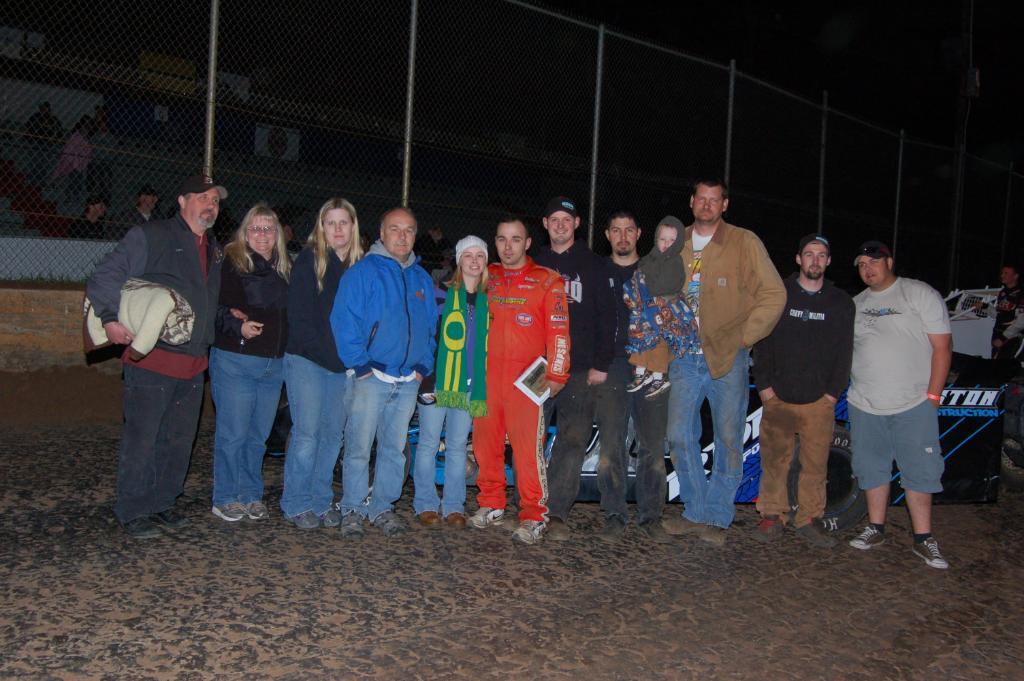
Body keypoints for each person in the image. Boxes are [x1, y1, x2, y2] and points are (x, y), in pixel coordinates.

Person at [85, 173, 226, 538]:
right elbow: (105, 276)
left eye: (215, 200)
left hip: (193, 363)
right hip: (152, 360)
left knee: (179, 441)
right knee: (143, 439)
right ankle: (133, 509)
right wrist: (109, 318)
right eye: (203, 197)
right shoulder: (152, 235)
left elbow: (211, 302)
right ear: (182, 200)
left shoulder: (214, 249)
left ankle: (162, 503)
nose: (211, 205)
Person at [663, 179, 786, 545]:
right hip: (684, 356)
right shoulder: (675, 241)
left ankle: (718, 515)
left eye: (714, 199)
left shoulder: (744, 242)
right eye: (701, 198)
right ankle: (696, 510)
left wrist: (745, 337)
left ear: (724, 205)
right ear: (691, 201)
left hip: (727, 357)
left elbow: (774, 293)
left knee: (729, 437)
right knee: (678, 435)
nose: (707, 204)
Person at [330, 207, 437, 539]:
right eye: (395, 229)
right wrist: (361, 366)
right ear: (381, 233)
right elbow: (343, 321)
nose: (402, 236)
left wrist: (422, 366)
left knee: (394, 449)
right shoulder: (363, 272)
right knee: (359, 447)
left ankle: (382, 507)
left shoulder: (421, 278)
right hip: (371, 377)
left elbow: (431, 327)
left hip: (407, 381)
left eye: (409, 230)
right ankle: (352, 508)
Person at [846, 241, 952, 569]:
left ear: (889, 262)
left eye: (874, 261)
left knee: (920, 471)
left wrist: (933, 397)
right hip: (865, 404)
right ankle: (875, 528)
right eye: (862, 264)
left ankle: (924, 538)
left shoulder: (919, 294)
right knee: (871, 467)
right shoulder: (856, 304)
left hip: (914, 403)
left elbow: (943, 347)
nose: (867, 268)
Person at [469, 216, 569, 545]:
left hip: (528, 379)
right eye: (501, 239)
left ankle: (534, 515)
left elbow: (559, 331)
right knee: (485, 443)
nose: (508, 246)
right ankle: (491, 503)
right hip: (488, 378)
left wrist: (557, 374)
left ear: (527, 243)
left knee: (527, 450)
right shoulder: (487, 275)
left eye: (515, 239)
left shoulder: (547, 280)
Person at [751, 233, 854, 548]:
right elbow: (762, 341)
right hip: (778, 399)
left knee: (815, 465)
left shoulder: (841, 303)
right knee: (774, 462)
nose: (815, 260)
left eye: (821, 255)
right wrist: (765, 388)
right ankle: (772, 515)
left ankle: (809, 519)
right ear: (798, 259)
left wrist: (832, 395)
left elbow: (844, 352)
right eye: (809, 254)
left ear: (829, 261)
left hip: (819, 402)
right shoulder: (778, 293)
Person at [532, 196, 616, 541]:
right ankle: (529, 507)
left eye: (566, 219)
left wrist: (601, 363)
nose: (560, 225)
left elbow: (608, 317)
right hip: (538, 367)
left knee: (573, 438)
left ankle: (555, 513)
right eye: (554, 219)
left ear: (577, 223)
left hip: (580, 369)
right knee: (530, 435)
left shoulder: (594, 264)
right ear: (545, 224)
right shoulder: (534, 262)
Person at [279, 198, 364, 528]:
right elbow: (300, 319)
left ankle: (320, 500)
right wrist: (335, 356)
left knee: (332, 436)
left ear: (353, 227)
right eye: (331, 223)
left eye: (344, 222)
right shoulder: (309, 261)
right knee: (307, 434)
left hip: (342, 367)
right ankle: (296, 502)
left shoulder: (359, 266)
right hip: (308, 360)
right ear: (321, 227)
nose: (338, 229)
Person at [209, 203, 291, 523]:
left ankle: (250, 493)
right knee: (234, 434)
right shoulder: (231, 263)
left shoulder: (285, 267)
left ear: (277, 233)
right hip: (237, 360)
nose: (262, 234)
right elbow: (214, 306)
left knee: (257, 436)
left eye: (268, 228)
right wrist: (237, 325)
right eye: (255, 228)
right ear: (245, 232)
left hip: (273, 365)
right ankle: (226, 497)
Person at [596, 211, 673, 543]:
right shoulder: (598, 271)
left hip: (651, 363)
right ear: (607, 235)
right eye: (616, 230)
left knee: (652, 444)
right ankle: (614, 514)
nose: (623, 236)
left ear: (639, 233)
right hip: (612, 364)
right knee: (611, 444)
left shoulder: (657, 271)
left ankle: (651, 516)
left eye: (629, 230)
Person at [412, 236, 490, 530]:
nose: (474, 261)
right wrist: (425, 376)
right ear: (459, 260)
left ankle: (454, 505)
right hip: (438, 381)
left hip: (470, 385)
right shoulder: (439, 293)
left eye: (480, 255)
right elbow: (425, 336)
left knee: (458, 446)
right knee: (429, 443)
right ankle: (425, 503)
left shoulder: (488, 299)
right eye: (468, 255)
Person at [625, 216, 690, 399]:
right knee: (640, 335)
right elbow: (639, 275)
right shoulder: (649, 259)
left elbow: (666, 285)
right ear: (656, 239)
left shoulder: (674, 262)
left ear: (678, 242)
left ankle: (658, 376)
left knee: (659, 341)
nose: (666, 244)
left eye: (671, 240)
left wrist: (647, 288)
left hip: (665, 309)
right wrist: (638, 287)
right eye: (663, 239)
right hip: (647, 308)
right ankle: (641, 372)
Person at [991, 263, 1023, 360]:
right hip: (997, 333)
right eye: (1002, 273)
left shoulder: (1021, 294)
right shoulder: (1003, 292)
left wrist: (1003, 338)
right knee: (994, 364)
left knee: (1004, 366)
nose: (1002, 276)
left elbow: (1021, 321)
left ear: (1015, 276)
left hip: (1011, 338)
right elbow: (999, 314)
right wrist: (985, 307)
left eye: (1006, 273)